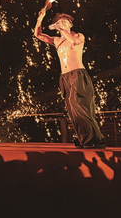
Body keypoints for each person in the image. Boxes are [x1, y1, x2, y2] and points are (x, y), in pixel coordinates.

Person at [34, 8, 106, 148]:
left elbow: (72, 41)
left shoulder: (79, 36)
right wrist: (40, 18)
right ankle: (84, 137)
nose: (62, 23)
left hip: (77, 74)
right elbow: (38, 35)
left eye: (65, 21)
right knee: (72, 109)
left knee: (81, 106)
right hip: (65, 77)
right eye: (60, 22)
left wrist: (61, 29)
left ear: (70, 25)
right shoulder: (57, 41)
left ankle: (96, 138)